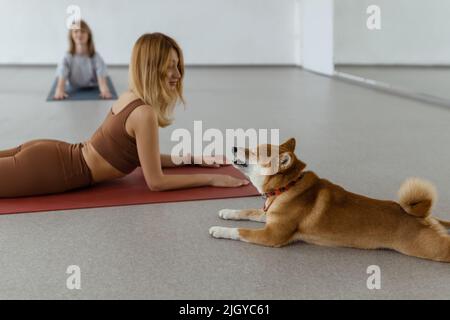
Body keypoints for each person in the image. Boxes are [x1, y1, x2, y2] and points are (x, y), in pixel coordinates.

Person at [0, 32, 249, 198]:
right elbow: (156, 182)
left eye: (178, 65)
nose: (177, 73)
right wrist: (212, 179)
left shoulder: (131, 97)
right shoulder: (144, 113)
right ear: (151, 67)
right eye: (170, 65)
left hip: (50, 156)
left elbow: (144, 156)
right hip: (54, 168)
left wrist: (193, 158)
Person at [54, 20, 112, 100]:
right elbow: (62, 75)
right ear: (71, 35)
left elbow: (102, 80)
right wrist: (59, 90)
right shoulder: (67, 57)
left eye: (83, 31)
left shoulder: (95, 57)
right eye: (76, 31)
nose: (79, 34)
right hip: (73, 85)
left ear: (88, 35)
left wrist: (105, 91)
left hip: (93, 86)